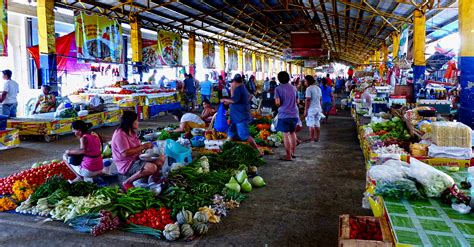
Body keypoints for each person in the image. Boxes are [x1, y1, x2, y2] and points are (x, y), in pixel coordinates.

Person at [111, 111, 164, 191]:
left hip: (136, 159)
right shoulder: (120, 134)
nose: (137, 122)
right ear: (130, 122)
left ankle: (152, 180)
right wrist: (143, 146)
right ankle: (127, 182)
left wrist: (146, 147)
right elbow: (125, 153)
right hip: (126, 164)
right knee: (151, 168)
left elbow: (137, 147)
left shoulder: (131, 132)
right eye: (136, 120)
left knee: (161, 159)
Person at [221, 74, 262, 155]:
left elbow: (234, 100)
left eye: (232, 82)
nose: (232, 84)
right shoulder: (242, 88)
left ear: (235, 82)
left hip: (240, 117)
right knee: (231, 133)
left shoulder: (239, 89)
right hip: (236, 116)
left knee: (244, 135)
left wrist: (224, 99)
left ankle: (258, 151)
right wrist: (232, 90)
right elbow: (247, 97)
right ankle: (224, 149)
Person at [274, 71, 299, 161]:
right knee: (292, 133)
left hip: (284, 114)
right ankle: (293, 153)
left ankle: (288, 156)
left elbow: (277, 102)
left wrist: (278, 105)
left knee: (285, 134)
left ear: (279, 79)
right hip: (294, 114)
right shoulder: (294, 88)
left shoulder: (278, 89)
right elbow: (298, 102)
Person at [303, 75, 322, 143]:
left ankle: (312, 139)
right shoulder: (318, 88)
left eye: (305, 81)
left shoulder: (309, 89)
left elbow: (308, 100)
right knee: (317, 123)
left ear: (308, 81)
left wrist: (305, 110)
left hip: (311, 109)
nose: (304, 82)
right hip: (318, 108)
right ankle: (318, 138)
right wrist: (320, 108)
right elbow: (320, 99)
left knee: (311, 124)